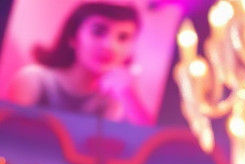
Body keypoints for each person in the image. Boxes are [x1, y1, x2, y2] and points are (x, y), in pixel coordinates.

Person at [5, 2, 149, 122]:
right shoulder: (34, 79)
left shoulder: (115, 99)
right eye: (98, 32)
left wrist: (128, 96)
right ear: (73, 37)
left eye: (123, 38)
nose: (109, 46)